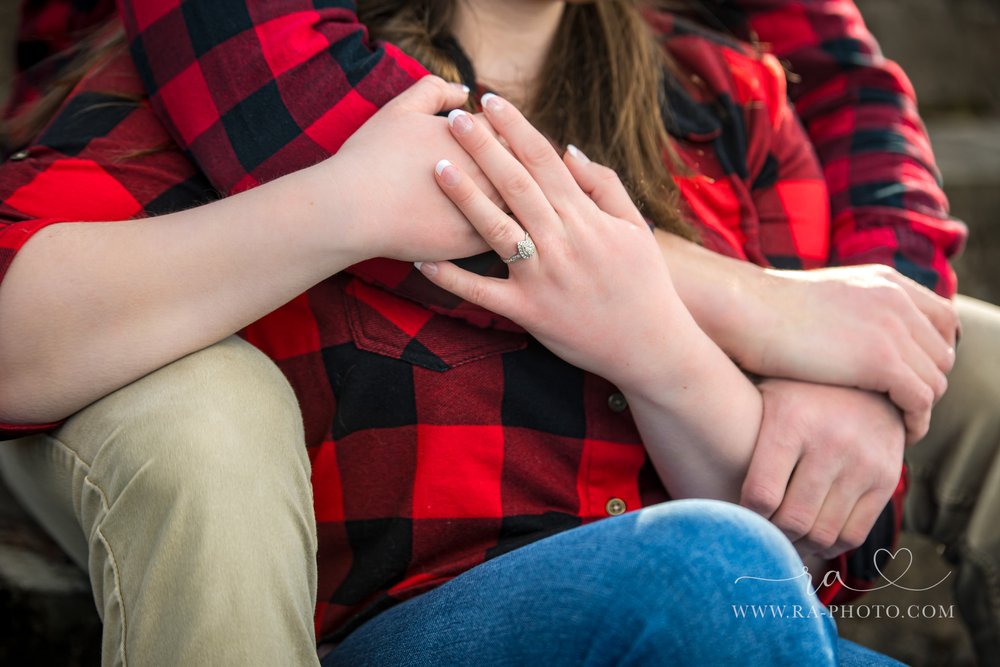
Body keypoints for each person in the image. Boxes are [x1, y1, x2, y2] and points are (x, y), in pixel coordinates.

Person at [0, 0, 987, 661]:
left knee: (729, 573)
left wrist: (653, 342)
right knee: (697, 569)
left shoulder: (722, 99)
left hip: (711, 617)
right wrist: (338, 209)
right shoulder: (262, 105)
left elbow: (809, 569)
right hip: (426, 628)